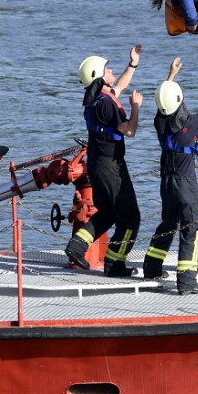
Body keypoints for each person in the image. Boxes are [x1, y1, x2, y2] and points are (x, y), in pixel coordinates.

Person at [144, 59, 198, 294]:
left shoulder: (159, 122)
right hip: (185, 184)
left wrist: (171, 76)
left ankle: (152, 266)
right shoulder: (190, 123)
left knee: (168, 223)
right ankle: (187, 282)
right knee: (191, 228)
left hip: (166, 182)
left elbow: (164, 101)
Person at [65, 46, 143, 277]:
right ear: (100, 77)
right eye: (107, 69)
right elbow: (129, 131)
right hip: (111, 167)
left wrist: (133, 64)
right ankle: (115, 264)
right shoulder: (108, 104)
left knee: (107, 214)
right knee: (130, 218)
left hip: (96, 164)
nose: (111, 70)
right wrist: (136, 107)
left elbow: (118, 86)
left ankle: (76, 245)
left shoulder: (96, 100)